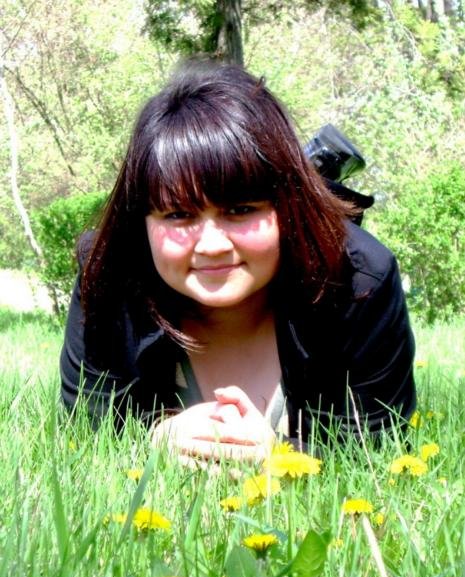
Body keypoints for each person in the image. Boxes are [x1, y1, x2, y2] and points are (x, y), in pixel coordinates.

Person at [60, 59, 416, 461]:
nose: (211, 245)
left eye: (241, 209)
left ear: (287, 206)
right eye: (178, 214)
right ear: (141, 219)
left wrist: (281, 458)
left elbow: (376, 453)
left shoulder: (359, 279)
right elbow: (86, 437)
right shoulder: (107, 274)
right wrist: (155, 441)